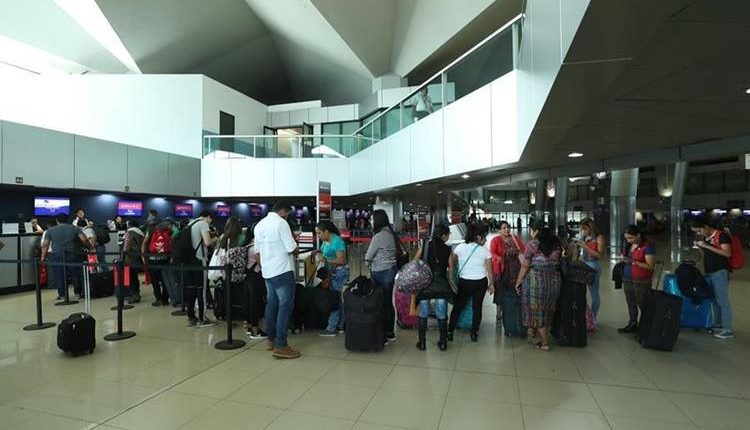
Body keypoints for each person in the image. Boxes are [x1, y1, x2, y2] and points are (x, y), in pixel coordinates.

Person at [255, 201, 300, 359]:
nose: (287, 217)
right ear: (284, 211)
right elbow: (291, 249)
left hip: (268, 272)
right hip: (283, 271)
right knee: (285, 306)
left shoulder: (259, 225)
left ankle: (271, 340)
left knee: (272, 304)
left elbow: (257, 252)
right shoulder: (281, 224)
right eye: (287, 214)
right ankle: (281, 345)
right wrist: (296, 243)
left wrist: (266, 266)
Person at [514, 221, 562, 351]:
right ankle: (540, 337)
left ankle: (545, 343)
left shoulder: (533, 244)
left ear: (535, 232)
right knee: (548, 308)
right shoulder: (557, 243)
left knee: (538, 310)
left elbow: (525, 265)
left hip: (536, 282)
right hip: (554, 281)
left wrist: (518, 282)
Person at [447, 222, 494, 342]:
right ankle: (474, 333)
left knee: (458, 307)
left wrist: (451, 276)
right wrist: (491, 284)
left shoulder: (460, 247)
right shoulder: (485, 251)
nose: (485, 240)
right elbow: (489, 270)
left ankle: (450, 331)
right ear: (478, 237)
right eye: (484, 236)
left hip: (464, 282)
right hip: (480, 283)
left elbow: (451, 260)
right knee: (477, 308)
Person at [414, 224, 453, 351]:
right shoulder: (448, 249)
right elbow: (451, 269)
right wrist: (450, 282)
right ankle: (442, 342)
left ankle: (422, 342)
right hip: (441, 284)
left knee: (423, 312)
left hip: (425, 284)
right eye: (448, 235)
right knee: (441, 313)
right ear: (443, 235)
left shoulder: (425, 246)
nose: (448, 237)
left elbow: (415, 262)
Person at [693, 219, 734, 339]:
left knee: (722, 300)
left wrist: (706, 245)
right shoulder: (706, 237)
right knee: (714, 299)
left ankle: (727, 329)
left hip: (720, 271)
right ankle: (718, 324)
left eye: (700, 230)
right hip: (710, 272)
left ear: (706, 226)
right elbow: (709, 253)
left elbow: (727, 254)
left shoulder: (722, 236)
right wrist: (701, 247)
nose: (700, 233)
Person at [365, 210, 401, 342]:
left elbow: (368, 256)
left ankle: (381, 332)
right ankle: (390, 332)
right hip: (391, 271)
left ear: (377, 221)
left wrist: (369, 266)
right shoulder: (391, 234)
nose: (371, 222)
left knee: (379, 303)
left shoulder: (378, 236)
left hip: (380, 271)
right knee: (388, 303)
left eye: (372, 219)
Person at [40, 214, 90, 301]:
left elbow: (45, 245)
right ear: (68, 219)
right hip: (74, 254)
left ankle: (62, 295)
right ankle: (78, 293)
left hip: (57, 255)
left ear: (57, 220)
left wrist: (42, 258)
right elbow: (84, 239)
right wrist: (89, 247)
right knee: (75, 274)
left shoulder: (50, 230)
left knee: (59, 275)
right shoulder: (75, 228)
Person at [617, 225, 656, 334]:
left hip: (641, 279)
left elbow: (650, 266)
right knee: (631, 302)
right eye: (627, 238)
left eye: (631, 238)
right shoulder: (628, 246)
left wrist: (633, 262)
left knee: (642, 302)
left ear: (638, 235)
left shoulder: (648, 247)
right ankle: (633, 323)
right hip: (628, 277)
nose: (628, 240)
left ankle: (648, 325)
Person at [315, 221, 349, 337]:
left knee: (333, 300)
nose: (318, 236)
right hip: (331, 273)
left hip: (338, 273)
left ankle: (331, 328)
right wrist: (318, 252)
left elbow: (342, 260)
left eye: (319, 233)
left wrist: (326, 261)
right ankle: (340, 325)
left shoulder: (337, 241)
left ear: (326, 231)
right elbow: (326, 252)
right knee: (337, 300)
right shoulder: (326, 241)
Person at [186, 210, 218, 327]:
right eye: (211, 220)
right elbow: (207, 242)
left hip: (188, 261)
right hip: (199, 261)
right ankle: (203, 318)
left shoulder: (190, 223)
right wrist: (216, 238)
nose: (210, 223)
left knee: (191, 289)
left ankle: (191, 316)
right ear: (208, 217)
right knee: (202, 290)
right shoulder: (203, 223)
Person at [489, 221, 525, 326]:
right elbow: (492, 252)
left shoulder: (515, 238)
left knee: (514, 291)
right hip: (501, 270)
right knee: (500, 292)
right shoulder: (496, 240)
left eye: (508, 227)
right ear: (499, 230)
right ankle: (498, 315)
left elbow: (523, 250)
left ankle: (512, 315)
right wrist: (498, 258)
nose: (507, 230)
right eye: (504, 228)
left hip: (515, 271)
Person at [141, 219, 172, 307]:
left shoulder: (150, 230)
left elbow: (144, 243)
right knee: (165, 279)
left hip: (153, 259)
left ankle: (158, 299)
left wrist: (143, 256)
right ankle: (165, 299)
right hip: (165, 259)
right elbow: (172, 243)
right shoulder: (169, 230)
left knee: (155, 281)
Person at [579, 218, 606, 318]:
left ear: (591, 228)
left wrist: (586, 247)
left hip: (593, 265)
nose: (584, 231)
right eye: (582, 229)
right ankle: (585, 316)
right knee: (581, 291)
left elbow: (600, 256)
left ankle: (593, 317)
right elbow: (582, 253)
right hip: (583, 264)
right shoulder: (584, 237)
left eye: (585, 229)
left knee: (594, 292)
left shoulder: (599, 238)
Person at [244, 223, 267, 339]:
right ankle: (255, 330)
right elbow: (261, 263)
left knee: (249, 301)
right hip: (256, 276)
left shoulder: (248, 243)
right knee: (255, 302)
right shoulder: (256, 246)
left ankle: (249, 326)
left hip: (248, 275)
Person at [123, 220, 145, 304]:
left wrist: (123, 253)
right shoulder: (141, 233)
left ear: (129, 225)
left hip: (130, 257)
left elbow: (126, 245)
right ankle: (136, 293)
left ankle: (134, 295)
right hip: (138, 257)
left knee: (131, 277)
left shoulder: (129, 232)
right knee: (134, 276)